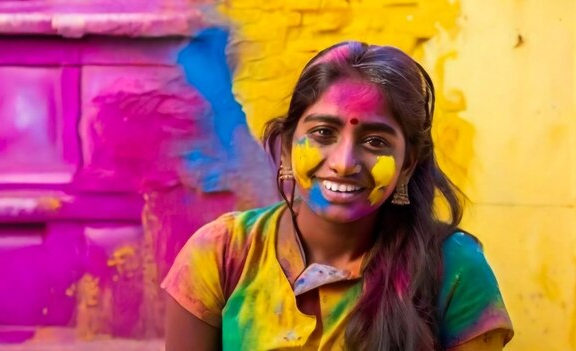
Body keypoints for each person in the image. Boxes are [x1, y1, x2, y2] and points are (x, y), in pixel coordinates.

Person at [161, 41, 513, 350]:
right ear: (286, 148)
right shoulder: (222, 252)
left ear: (407, 165)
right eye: (323, 133)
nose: (344, 164)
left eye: (376, 142)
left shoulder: (455, 271)